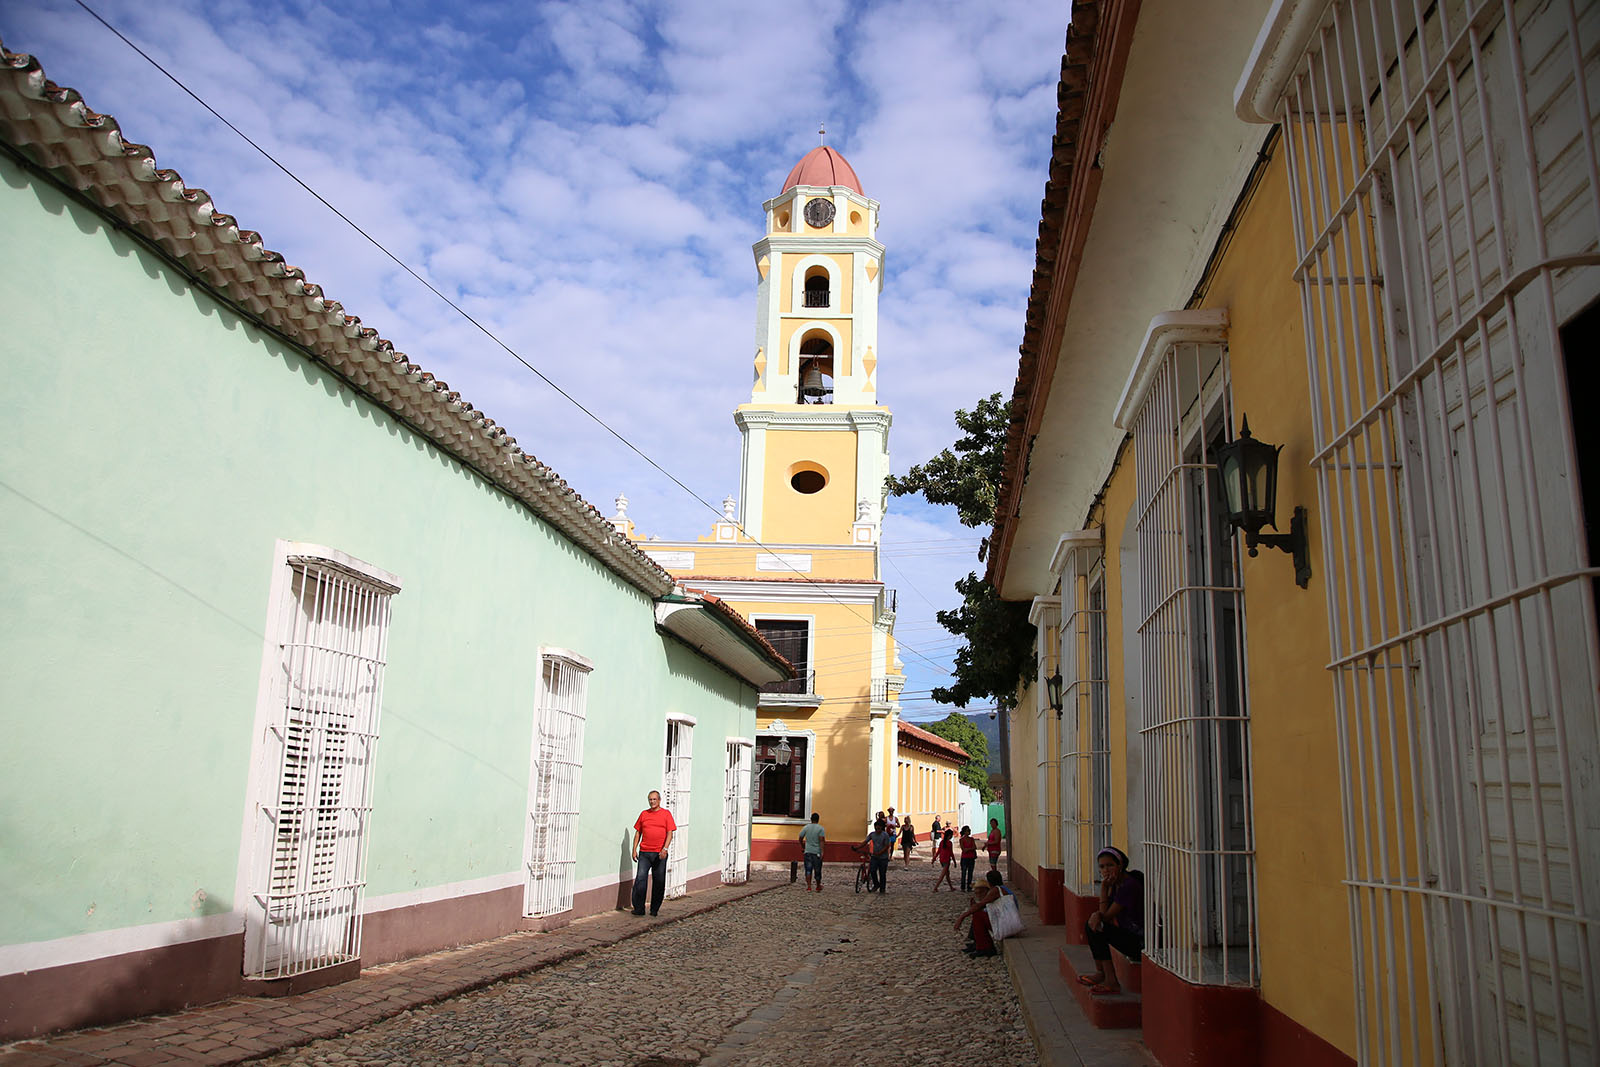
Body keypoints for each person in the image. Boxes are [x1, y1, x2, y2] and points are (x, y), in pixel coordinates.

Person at [1077, 846, 1144, 995]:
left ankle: (1111, 981)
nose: (1106, 870)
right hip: (1130, 936)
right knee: (1091, 925)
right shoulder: (1116, 885)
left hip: (1141, 942)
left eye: (1110, 865)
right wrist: (1098, 913)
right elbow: (1103, 916)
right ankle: (1102, 973)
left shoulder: (1129, 886)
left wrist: (1103, 889)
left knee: (1096, 926)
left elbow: (1105, 917)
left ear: (1120, 865)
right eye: (1102, 867)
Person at [630, 790, 676, 917]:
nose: (652, 802)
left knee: (659, 881)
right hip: (644, 852)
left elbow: (670, 833)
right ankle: (639, 908)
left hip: (659, 854)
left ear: (659, 800)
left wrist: (665, 849)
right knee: (640, 879)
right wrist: (634, 849)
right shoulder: (644, 814)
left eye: (654, 799)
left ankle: (654, 909)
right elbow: (638, 832)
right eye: (650, 799)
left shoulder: (666, 814)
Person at [954, 869, 1007, 958]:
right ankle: (978, 943)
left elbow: (980, 905)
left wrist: (961, 917)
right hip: (1005, 919)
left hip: (1005, 922)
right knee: (978, 913)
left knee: (978, 914)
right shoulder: (1001, 889)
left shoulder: (996, 891)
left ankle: (984, 947)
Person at [859, 817, 896, 893]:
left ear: (882, 827)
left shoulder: (885, 835)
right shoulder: (872, 834)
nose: (877, 828)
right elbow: (865, 842)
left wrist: (880, 852)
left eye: (879, 827)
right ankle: (876, 884)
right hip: (875, 857)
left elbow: (887, 846)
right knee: (872, 871)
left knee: (882, 873)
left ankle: (882, 889)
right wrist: (857, 847)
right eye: (876, 827)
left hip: (883, 858)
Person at [798, 812, 826, 892]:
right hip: (816, 852)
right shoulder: (820, 829)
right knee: (817, 870)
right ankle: (818, 886)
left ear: (811, 819)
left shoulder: (806, 827)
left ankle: (809, 886)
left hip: (808, 851)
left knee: (808, 869)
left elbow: (800, 837)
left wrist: (803, 846)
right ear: (818, 819)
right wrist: (822, 851)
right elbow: (821, 841)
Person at [958, 825, 978, 892]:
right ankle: (963, 887)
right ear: (964, 832)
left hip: (971, 858)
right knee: (963, 873)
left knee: (970, 873)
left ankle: (969, 887)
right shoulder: (961, 840)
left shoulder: (971, 839)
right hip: (964, 858)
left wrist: (968, 849)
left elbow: (974, 847)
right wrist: (970, 849)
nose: (969, 831)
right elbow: (963, 849)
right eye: (968, 830)